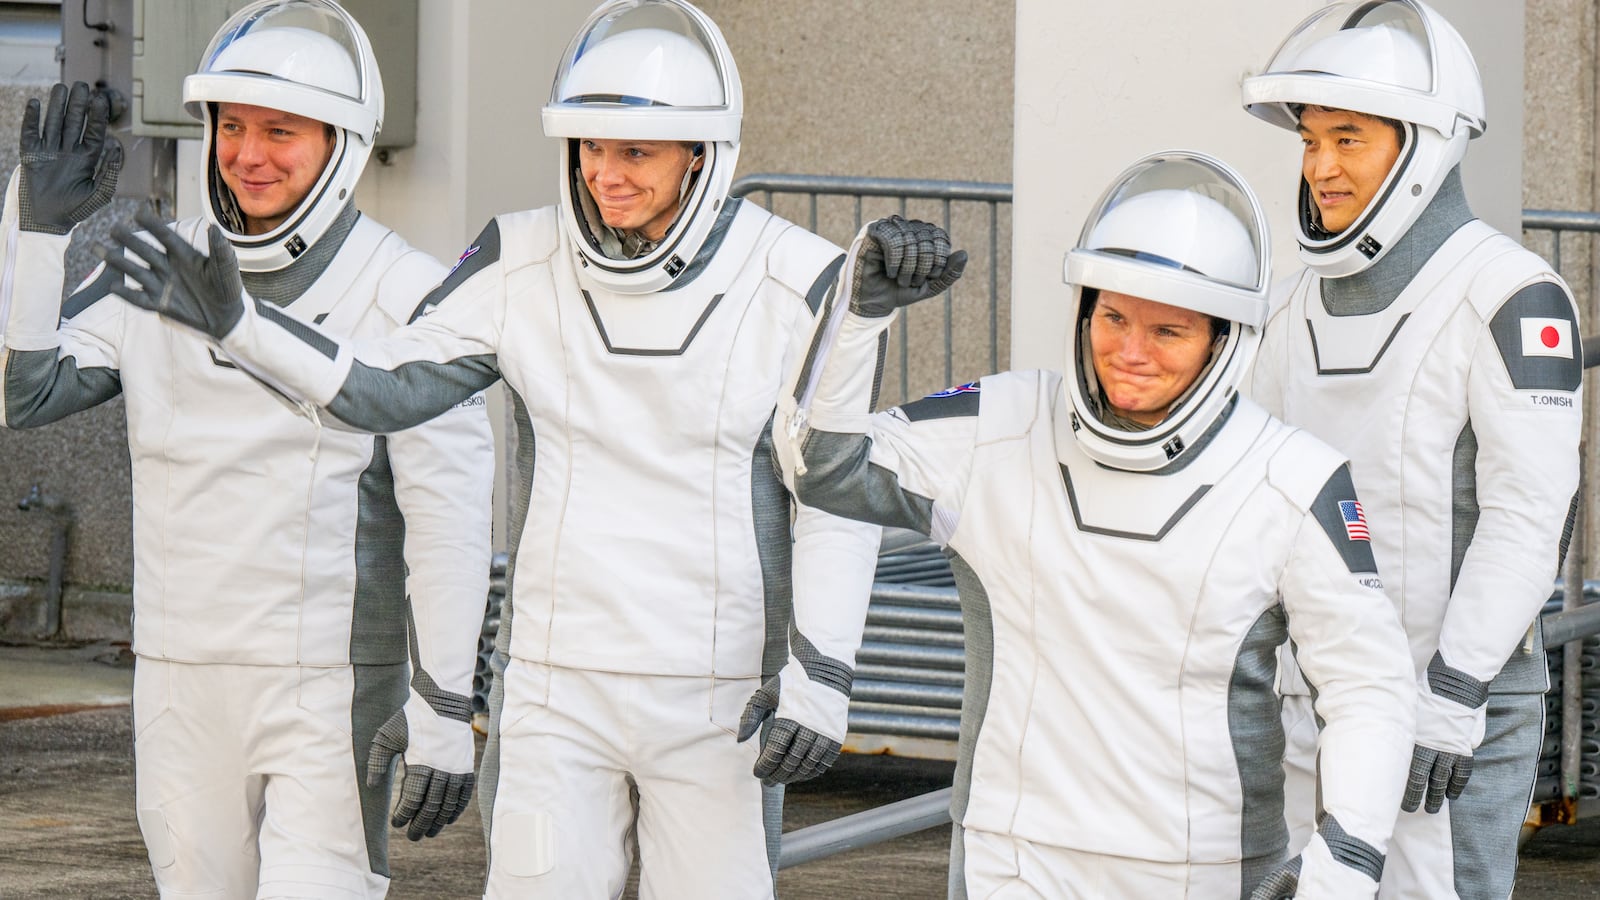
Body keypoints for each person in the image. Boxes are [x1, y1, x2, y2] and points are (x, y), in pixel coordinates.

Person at [100, 0, 882, 896]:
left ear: (700, 154)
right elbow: (383, 389)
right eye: (589, 145)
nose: (604, 173)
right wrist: (243, 323)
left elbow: (834, 488)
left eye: (636, 151)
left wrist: (821, 675)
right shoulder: (520, 256)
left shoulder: (799, 275)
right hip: (553, 691)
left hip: (720, 695)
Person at [767, 153, 1417, 898]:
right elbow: (823, 467)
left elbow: (1370, 686)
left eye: (1168, 331)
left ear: (1224, 339)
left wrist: (1348, 857)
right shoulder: (999, 425)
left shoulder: (1296, 480)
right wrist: (858, 315)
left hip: (1203, 870)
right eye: (1112, 317)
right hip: (1013, 860)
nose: (1129, 352)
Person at [0, 1, 493, 896]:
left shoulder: (409, 292)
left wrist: (446, 705)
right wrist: (36, 235)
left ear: (342, 142)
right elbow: (21, 392)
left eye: (280, 131)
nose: (248, 155)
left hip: (332, 686)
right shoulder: (154, 265)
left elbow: (448, 523)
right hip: (181, 679)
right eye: (231, 127)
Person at [1240, 2, 1582, 896]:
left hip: (1449, 721)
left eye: (1347, 139)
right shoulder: (1285, 308)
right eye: (1310, 141)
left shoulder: (1511, 296)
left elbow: (1529, 516)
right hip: (1312, 707)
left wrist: (1452, 698)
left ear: (1425, 145)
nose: (1320, 168)